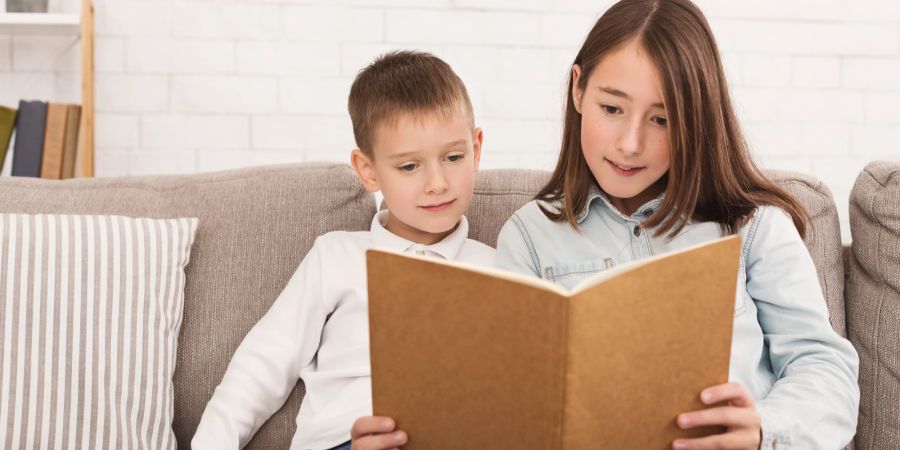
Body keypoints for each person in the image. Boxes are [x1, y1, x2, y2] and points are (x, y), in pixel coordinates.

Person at [495, 1, 859, 449]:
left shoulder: (753, 227)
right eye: (612, 108)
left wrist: (764, 428)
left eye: (662, 119)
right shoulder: (529, 237)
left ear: (696, 121)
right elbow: (511, 399)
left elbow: (825, 368)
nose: (630, 144)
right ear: (578, 90)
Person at [192, 50, 494, 450]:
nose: (437, 182)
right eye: (409, 167)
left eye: (453, 157)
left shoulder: (498, 268)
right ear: (368, 170)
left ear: (476, 149)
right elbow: (264, 362)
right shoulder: (336, 257)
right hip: (342, 442)